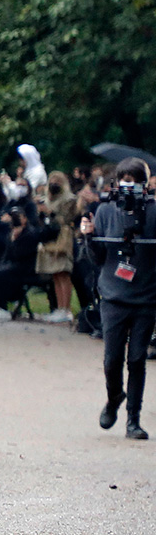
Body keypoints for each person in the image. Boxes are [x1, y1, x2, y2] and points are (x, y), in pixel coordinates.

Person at [81, 159, 155, 440]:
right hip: (113, 295)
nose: (129, 184)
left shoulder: (154, 211)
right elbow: (97, 258)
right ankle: (114, 397)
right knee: (112, 359)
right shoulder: (105, 210)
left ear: (144, 184)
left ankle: (133, 420)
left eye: (134, 179)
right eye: (124, 178)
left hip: (146, 296)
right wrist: (89, 237)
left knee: (137, 358)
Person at [36, 172, 80, 324]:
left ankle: (66, 309)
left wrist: (51, 213)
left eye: (58, 181)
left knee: (63, 273)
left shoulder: (70, 200)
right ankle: (59, 308)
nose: (54, 184)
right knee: (55, 274)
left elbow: (67, 219)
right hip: (50, 239)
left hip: (63, 238)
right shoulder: (47, 200)